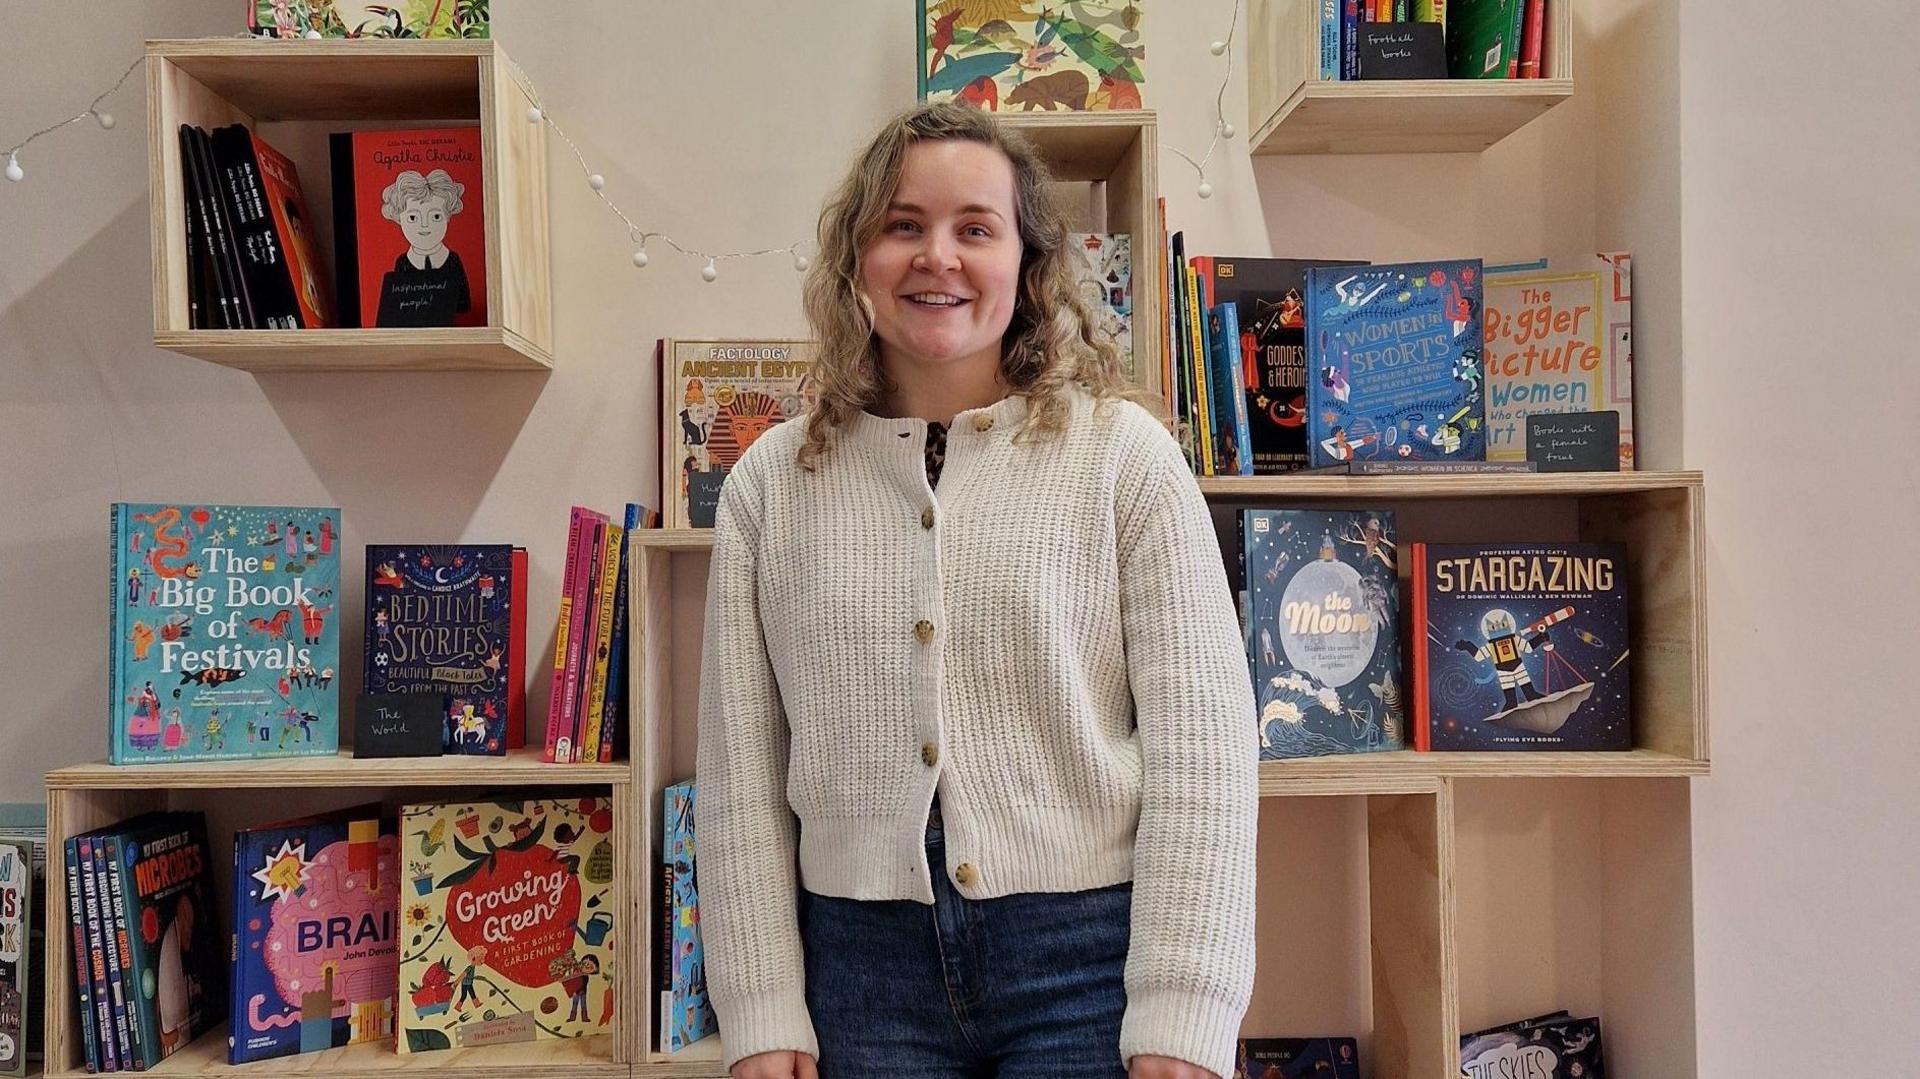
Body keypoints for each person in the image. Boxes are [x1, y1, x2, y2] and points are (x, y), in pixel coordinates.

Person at [696, 102, 1257, 1079]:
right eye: (903, 225)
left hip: (1088, 965)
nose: (937, 257)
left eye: (975, 228)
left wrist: (1187, 1002)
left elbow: (1204, 751)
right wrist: (758, 1003)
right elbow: (740, 769)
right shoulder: (769, 485)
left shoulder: (1127, 459)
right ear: (856, 257)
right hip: (857, 971)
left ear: (1029, 261)